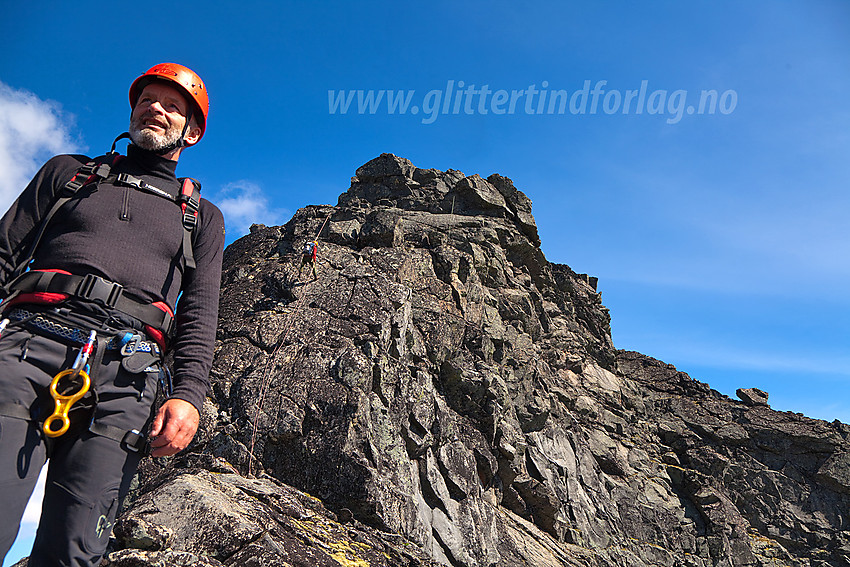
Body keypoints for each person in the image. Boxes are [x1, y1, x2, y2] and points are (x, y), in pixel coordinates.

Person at [0, 63, 225, 566]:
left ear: (191, 131)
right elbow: (3, 252)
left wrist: (188, 395)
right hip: (28, 346)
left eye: (172, 105)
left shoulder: (202, 218)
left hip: (129, 374)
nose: (155, 108)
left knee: (75, 551)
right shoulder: (69, 173)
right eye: (147, 99)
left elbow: (200, 310)